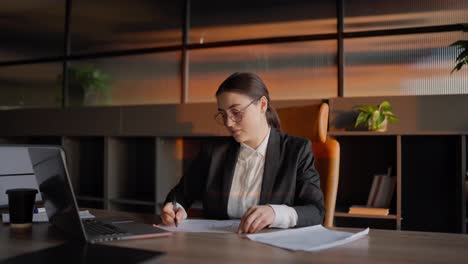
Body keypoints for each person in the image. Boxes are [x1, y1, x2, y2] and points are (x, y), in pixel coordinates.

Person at [161, 72, 324, 234]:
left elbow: (316, 211)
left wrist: (275, 213)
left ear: (262, 105)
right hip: (217, 248)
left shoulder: (297, 151)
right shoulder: (213, 152)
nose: (228, 123)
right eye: (223, 115)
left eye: (236, 112)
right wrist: (175, 208)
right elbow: (179, 195)